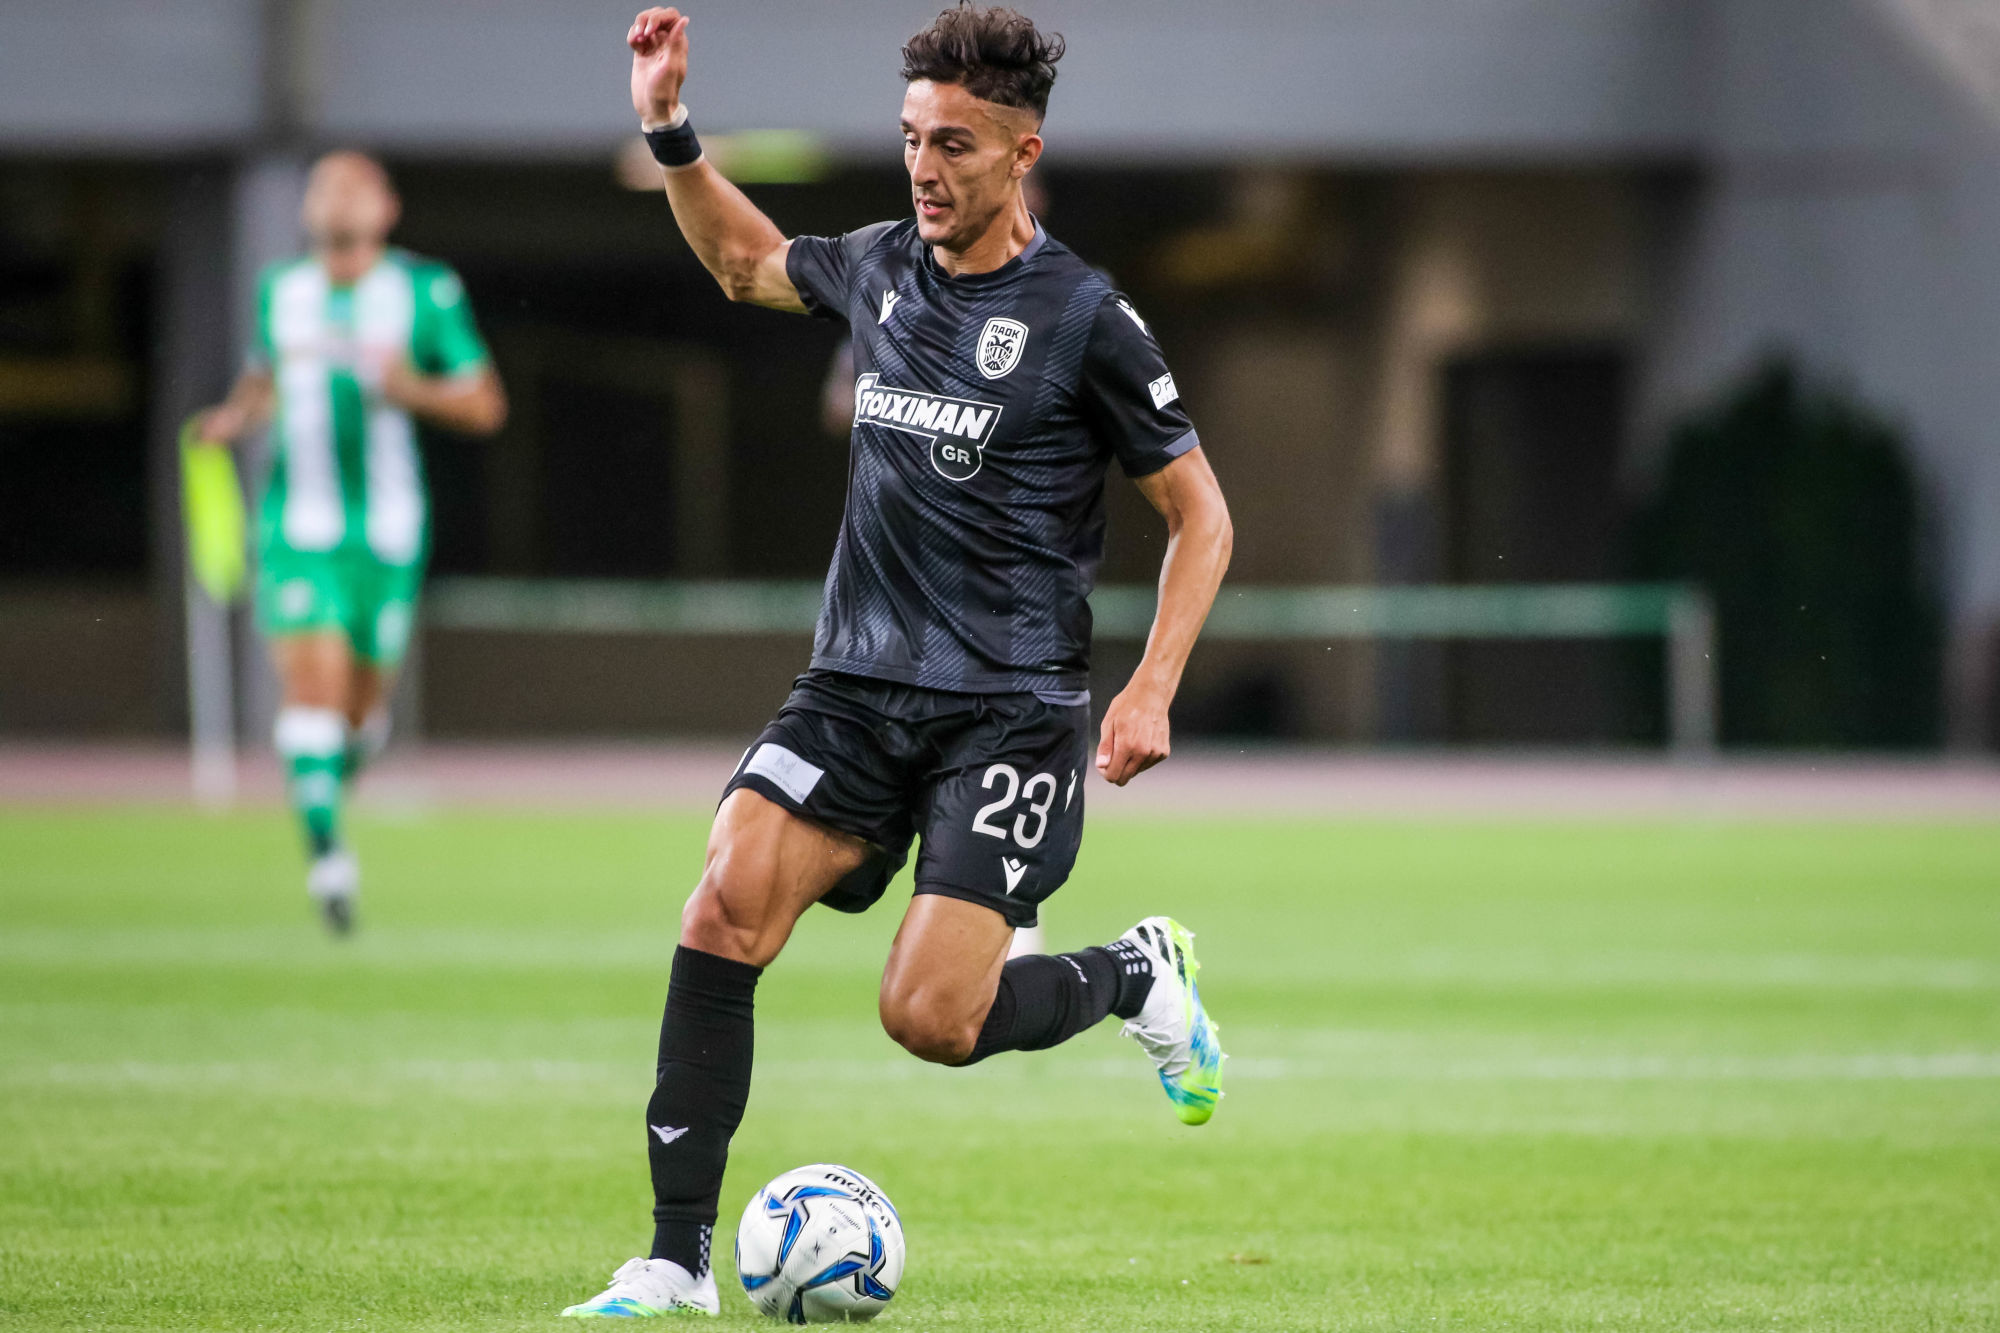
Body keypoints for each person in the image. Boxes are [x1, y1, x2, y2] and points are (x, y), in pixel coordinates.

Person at [563, 5, 1233, 1316]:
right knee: (720, 906)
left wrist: (1151, 686)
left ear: (1022, 152)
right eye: (915, 140)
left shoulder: (1087, 318)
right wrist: (668, 128)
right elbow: (745, 264)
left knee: (929, 1018)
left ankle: (1135, 976)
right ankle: (674, 1260)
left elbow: (1201, 513)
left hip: (1007, 716)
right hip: (855, 689)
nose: (926, 169)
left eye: (959, 146)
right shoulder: (879, 267)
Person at [194, 151, 507, 934]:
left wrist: (411, 389)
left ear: (386, 207)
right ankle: (328, 854)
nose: (335, 195)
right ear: (307, 209)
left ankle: (327, 793)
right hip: (299, 531)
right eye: (322, 184)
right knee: (314, 688)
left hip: (390, 534)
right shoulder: (282, 291)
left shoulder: (423, 291)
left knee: (363, 713)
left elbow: (484, 404)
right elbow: (263, 378)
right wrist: (233, 420)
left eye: (353, 184)